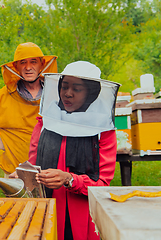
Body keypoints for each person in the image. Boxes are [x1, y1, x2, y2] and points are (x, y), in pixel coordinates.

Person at [28, 61, 119, 240]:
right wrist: (24, 174)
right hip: (46, 207)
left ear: (91, 93)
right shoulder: (46, 120)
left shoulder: (103, 130)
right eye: (64, 86)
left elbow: (102, 183)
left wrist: (69, 179)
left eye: (77, 89)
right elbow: (33, 164)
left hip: (82, 213)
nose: (67, 94)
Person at [0, 42, 58, 175]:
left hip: (50, 173)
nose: (28, 67)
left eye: (33, 61)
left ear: (42, 63)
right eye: (23, 62)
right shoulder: (2, 96)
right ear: (16, 67)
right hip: (14, 174)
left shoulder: (56, 95)